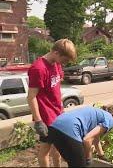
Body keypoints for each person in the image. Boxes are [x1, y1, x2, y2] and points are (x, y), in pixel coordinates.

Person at [27, 39, 77, 167]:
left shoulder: (56, 63)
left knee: (57, 148)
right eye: (64, 60)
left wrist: (62, 109)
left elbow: (56, 89)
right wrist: (38, 121)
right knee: (45, 151)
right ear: (56, 52)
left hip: (58, 114)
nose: (64, 63)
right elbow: (31, 97)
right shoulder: (38, 68)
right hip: (46, 118)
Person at [47, 106, 113, 167]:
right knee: (81, 164)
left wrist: (101, 155)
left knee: (73, 162)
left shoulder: (101, 114)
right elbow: (87, 140)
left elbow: (95, 138)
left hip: (54, 127)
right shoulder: (110, 121)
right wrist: (88, 158)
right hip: (69, 128)